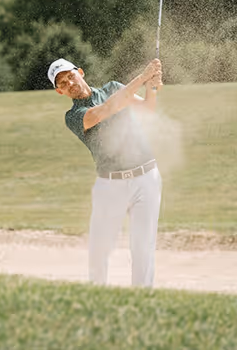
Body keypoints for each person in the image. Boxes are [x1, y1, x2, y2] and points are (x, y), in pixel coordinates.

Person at [48, 56, 163, 288]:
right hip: (110, 185)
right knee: (100, 249)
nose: (70, 83)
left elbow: (147, 108)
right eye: (63, 83)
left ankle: (143, 298)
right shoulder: (73, 116)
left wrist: (151, 87)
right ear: (60, 92)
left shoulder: (113, 88)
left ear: (80, 72)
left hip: (146, 176)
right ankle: (97, 296)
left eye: (71, 76)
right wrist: (143, 77)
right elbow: (107, 109)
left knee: (143, 246)